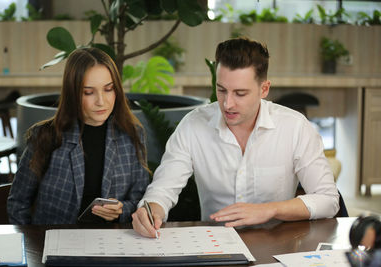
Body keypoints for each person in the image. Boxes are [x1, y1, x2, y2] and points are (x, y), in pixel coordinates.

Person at [132, 37, 340, 237]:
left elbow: (328, 199)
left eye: (240, 93)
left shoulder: (295, 127)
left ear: (264, 89)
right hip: (215, 249)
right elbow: (163, 188)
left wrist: (270, 210)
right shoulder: (193, 125)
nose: (227, 104)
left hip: (277, 247)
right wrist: (151, 210)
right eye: (221, 90)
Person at [7, 48, 149, 224]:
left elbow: (141, 201)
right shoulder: (46, 136)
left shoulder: (132, 134)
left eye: (108, 89)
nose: (101, 101)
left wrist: (121, 210)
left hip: (111, 243)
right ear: (73, 93)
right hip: (52, 243)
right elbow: (18, 203)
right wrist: (31, 245)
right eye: (88, 92)